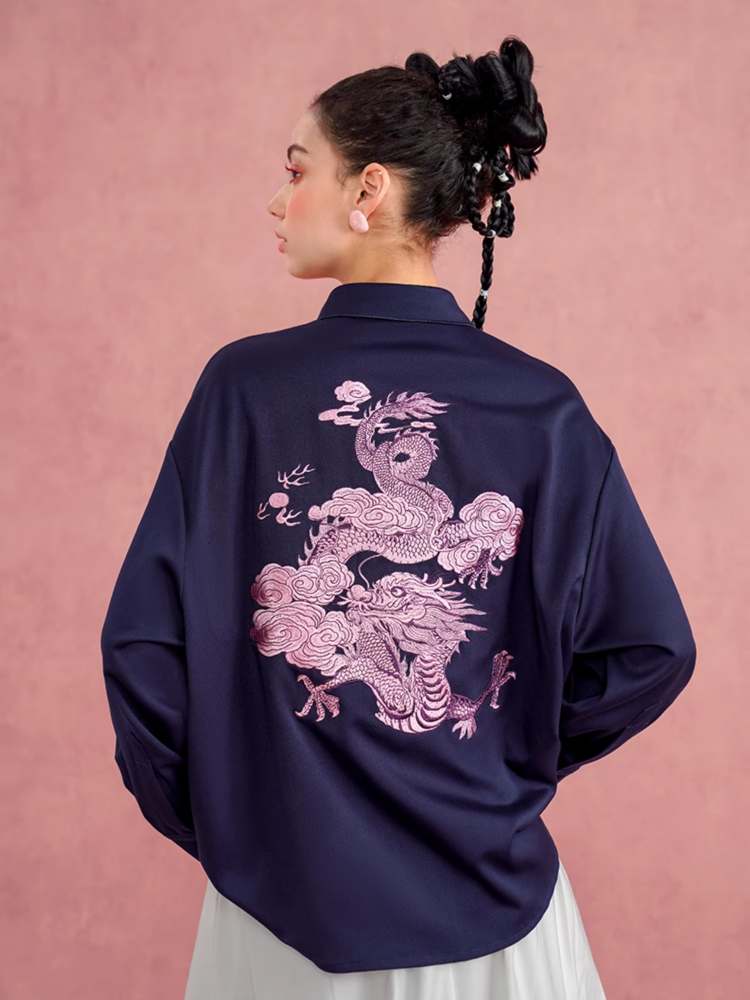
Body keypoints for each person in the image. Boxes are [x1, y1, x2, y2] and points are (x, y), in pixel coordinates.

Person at [101, 37, 697, 1000]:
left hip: (277, 914)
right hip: (494, 915)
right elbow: (650, 648)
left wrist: (238, 824)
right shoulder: (542, 409)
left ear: (367, 188)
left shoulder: (243, 391)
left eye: (298, 170)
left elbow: (142, 650)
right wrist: (502, 765)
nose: (277, 201)